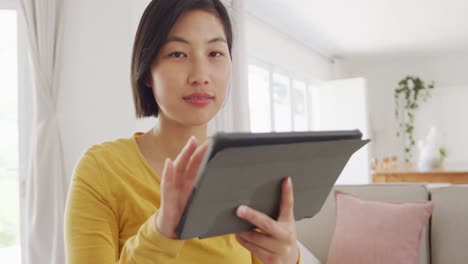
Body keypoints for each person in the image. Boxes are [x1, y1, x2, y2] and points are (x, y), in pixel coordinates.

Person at [64, 0, 301, 263]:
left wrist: (287, 259)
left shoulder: (249, 173)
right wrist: (161, 231)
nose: (200, 75)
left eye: (215, 54)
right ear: (147, 71)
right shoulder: (101, 170)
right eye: (178, 54)